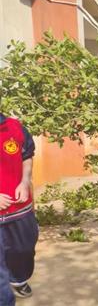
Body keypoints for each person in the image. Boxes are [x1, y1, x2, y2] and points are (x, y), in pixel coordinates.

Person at [0, 113, 39, 300]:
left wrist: (25, 181)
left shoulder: (14, 127)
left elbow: (27, 155)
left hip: (19, 208)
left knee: (24, 249)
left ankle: (18, 278)